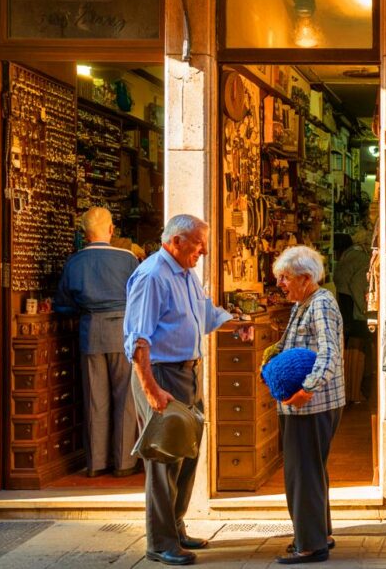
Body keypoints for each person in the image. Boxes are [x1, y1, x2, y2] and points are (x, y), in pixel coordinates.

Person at [124, 215, 232, 566]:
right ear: (176, 241)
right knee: (164, 459)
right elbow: (138, 340)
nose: (203, 250)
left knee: (187, 454)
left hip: (187, 374)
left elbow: (203, 313)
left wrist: (235, 324)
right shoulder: (153, 275)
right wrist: (151, 389)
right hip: (161, 375)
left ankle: (177, 526)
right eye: (199, 243)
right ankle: (161, 541)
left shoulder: (185, 272)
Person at [271, 245, 346, 565]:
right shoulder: (304, 303)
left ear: (305, 278)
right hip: (304, 405)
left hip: (311, 405)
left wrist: (306, 390)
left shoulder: (321, 304)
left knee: (301, 473)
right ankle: (319, 534)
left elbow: (330, 352)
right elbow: (296, 344)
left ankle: (311, 545)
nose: (280, 284)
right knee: (310, 471)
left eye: (285, 278)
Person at [53, 207, 140, 478]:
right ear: (111, 230)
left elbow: (63, 305)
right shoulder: (127, 259)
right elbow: (140, 298)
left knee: (94, 398)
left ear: (84, 233)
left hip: (90, 331)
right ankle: (124, 463)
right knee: (125, 398)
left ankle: (97, 463)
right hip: (123, 332)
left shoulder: (74, 262)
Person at [332, 229, 371, 403]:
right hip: (353, 308)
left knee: (351, 346)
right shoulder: (360, 258)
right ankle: (354, 392)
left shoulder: (349, 258)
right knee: (357, 345)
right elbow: (357, 286)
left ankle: (350, 391)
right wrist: (365, 309)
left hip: (345, 305)